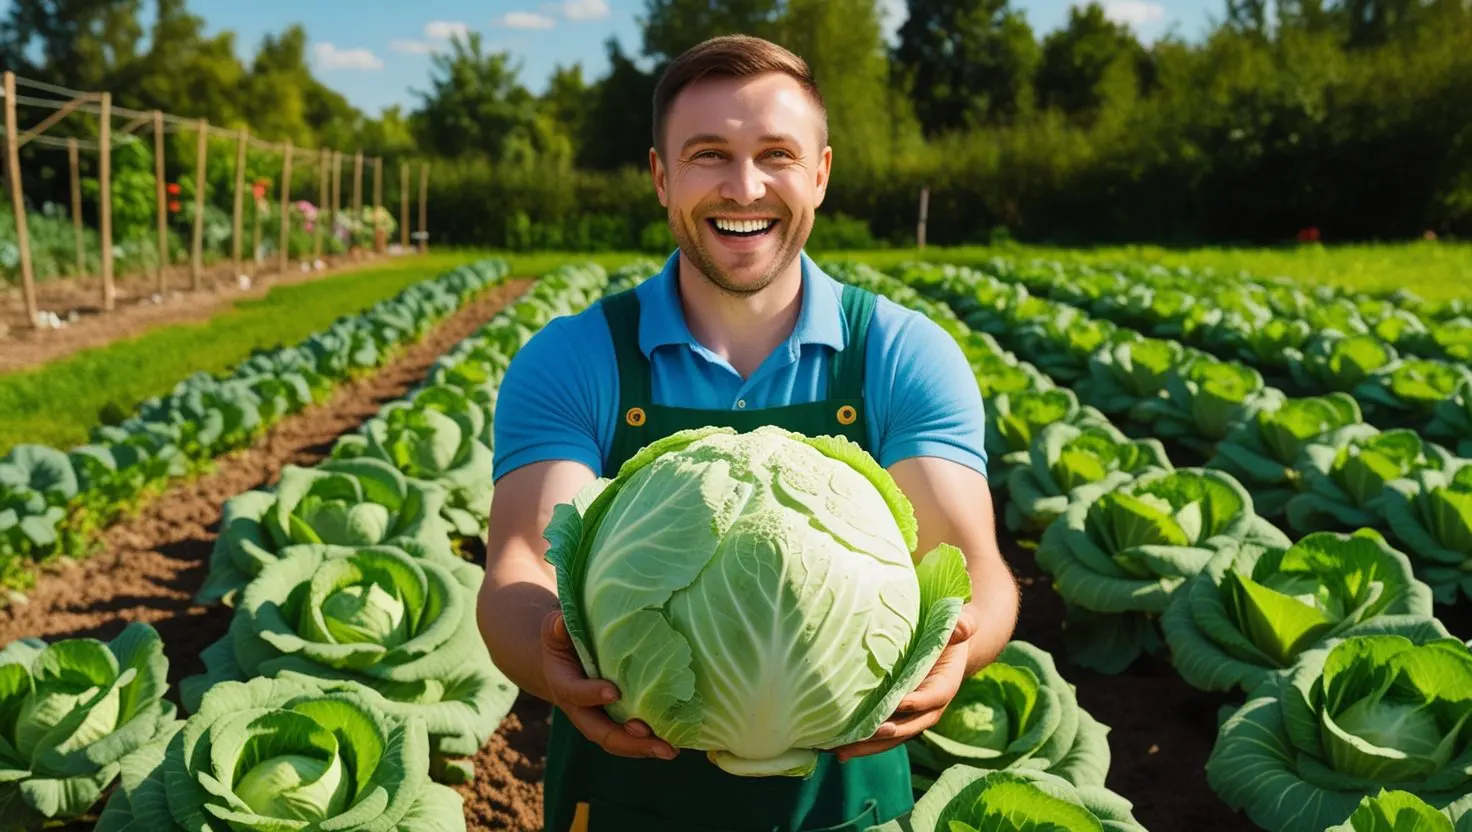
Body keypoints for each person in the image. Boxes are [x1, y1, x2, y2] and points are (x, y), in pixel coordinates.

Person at [477, 33, 1019, 832]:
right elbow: (520, 563)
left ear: (821, 174)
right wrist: (552, 664)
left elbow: (978, 567)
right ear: (662, 178)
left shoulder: (902, 354)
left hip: (847, 810)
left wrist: (960, 651)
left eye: (777, 154)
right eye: (707, 155)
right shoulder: (576, 357)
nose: (744, 187)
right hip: (626, 803)